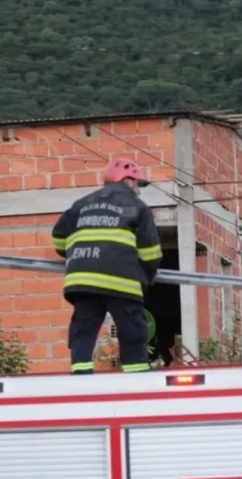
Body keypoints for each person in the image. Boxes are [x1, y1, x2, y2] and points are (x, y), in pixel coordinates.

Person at [51, 158, 163, 374]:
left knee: (83, 329)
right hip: (122, 281)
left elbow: (58, 239)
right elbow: (150, 254)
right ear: (129, 180)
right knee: (132, 330)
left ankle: (81, 376)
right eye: (138, 184)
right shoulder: (138, 208)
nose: (139, 191)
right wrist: (146, 279)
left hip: (82, 280)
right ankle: (136, 377)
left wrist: (78, 256)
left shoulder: (80, 205)